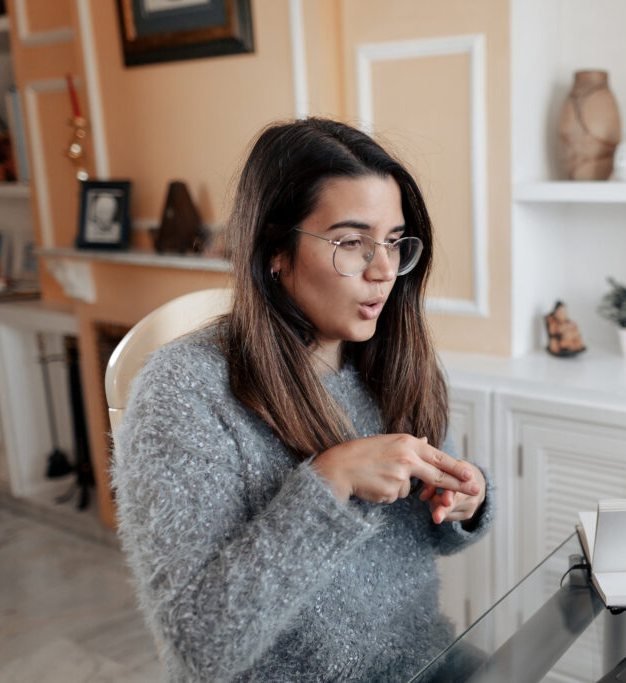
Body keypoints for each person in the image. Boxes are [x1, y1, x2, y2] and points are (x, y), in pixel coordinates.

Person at [111, 118, 493, 682]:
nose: (384, 270)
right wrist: (328, 481)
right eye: (350, 243)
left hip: (425, 665)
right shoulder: (184, 391)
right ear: (274, 250)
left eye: (392, 241)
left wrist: (465, 498)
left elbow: (435, 536)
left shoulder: (396, 357)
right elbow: (201, 643)